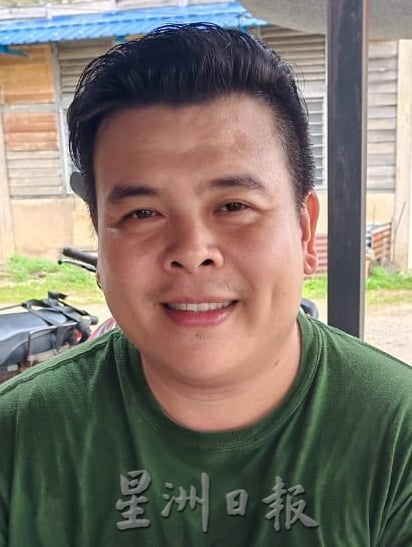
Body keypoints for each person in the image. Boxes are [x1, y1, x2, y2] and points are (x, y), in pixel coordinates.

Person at [0, 23, 411, 547]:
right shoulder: (16, 441)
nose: (193, 250)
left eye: (234, 206)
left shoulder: (398, 438)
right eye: (142, 212)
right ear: (99, 245)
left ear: (305, 231)